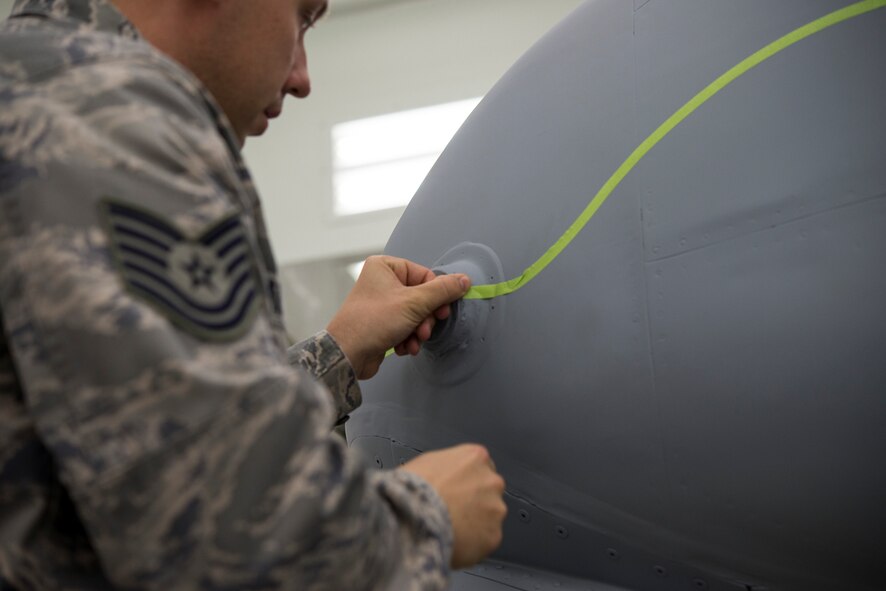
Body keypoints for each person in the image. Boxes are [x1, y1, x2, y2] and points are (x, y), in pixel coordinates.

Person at [0, 0, 507, 589]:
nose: (302, 77)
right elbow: (239, 546)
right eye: (303, 16)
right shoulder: (106, 114)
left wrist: (336, 352)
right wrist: (430, 517)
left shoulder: (31, 88)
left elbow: (120, 438)